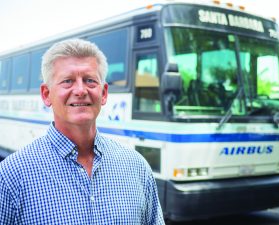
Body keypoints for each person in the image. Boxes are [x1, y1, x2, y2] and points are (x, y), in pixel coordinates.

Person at [0, 39, 165, 224]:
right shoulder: (11, 177)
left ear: (103, 94)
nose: (80, 90)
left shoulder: (137, 168)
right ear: (46, 95)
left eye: (90, 80)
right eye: (67, 81)